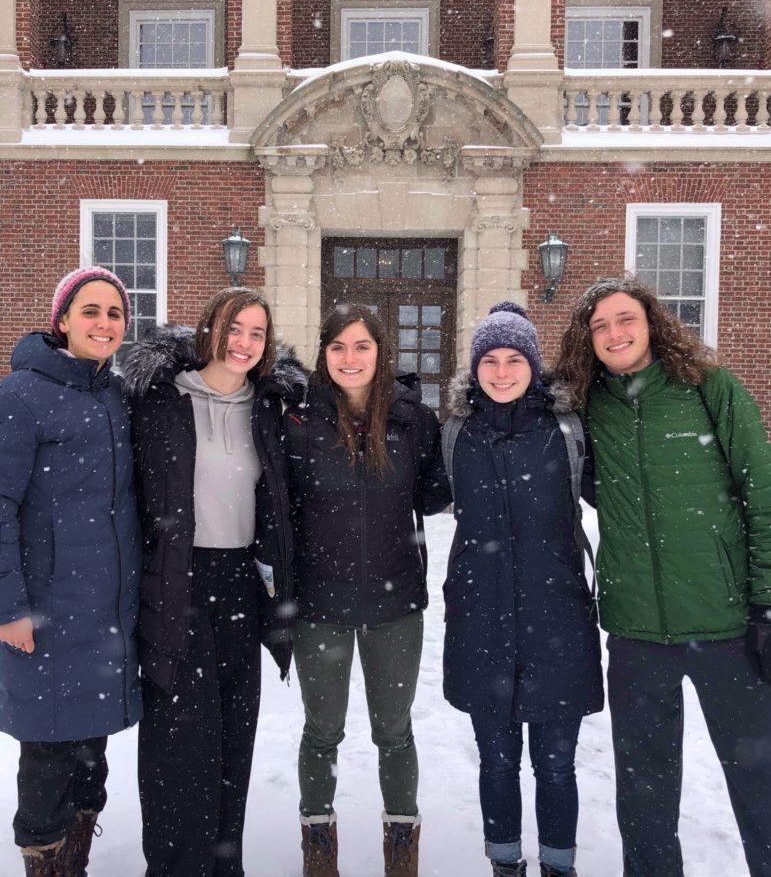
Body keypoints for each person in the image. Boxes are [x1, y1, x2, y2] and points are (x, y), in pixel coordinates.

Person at [553, 276, 771, 877]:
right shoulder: (589, 407)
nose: (614, 334)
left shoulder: (708, 389)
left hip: (725, 622)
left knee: (760, 782)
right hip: (636, 630)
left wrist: (766, 603)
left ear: (652, 322)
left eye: (625, 320)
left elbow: (763, 492)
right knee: (644, 799)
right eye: (599, 327)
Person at [122, 287, 302, 877]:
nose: (243, 342)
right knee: (177, 739)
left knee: (232, 733)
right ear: (209, 330)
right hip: (177, 579)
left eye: (256, 332)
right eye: (233, 328)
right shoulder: (158, 403)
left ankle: (226, 862)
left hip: (242, 582)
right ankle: (176, 865)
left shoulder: (270, 410)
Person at [284, 303, 451, 877]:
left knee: (394, 730)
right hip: (319, 605)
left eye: (362, 347)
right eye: (338, 348)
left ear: (381, 354)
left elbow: (435, 494)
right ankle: (318, 844)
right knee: (322, 729)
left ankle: (401, 844)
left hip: (395, 604)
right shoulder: (298, 418)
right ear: (323, 354)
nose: (350, 359)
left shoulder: (413, 420)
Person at [441, 302, 603, 877]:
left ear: (533, 365)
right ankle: (504, 863)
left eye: (515, 359)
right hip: (480, 622)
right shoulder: (457, 433)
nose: (502, 371)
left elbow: (626, 500)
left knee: (557, 766)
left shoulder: (566, 431)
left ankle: (560, 865)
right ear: (475, 367)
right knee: (496, 764)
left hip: (557, 621)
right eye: (490, 359)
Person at [0, 267, 142, 877]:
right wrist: (9, 609)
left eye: (114, 313)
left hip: (106, 614)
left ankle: (75, 858)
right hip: (48, 614)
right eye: (90, 311)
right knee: (49, 755)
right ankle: (45, 861)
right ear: (62, 320)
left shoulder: (114, 395)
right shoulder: (21, 395)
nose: (103, 323)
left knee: (91, 755)